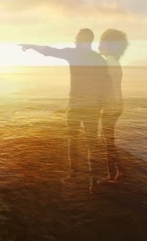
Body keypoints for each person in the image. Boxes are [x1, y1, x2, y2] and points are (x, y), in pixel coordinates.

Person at [19, 28, 111, 182]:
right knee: (92, 143)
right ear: (91, 40)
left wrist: (31, 45)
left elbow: (49, 51)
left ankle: (74, 175)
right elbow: (106, 84)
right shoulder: (98, 59)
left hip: (75, 105)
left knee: (73, 140)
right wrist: (101, 105)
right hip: (92, 107)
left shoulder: (73, 53)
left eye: (77, 38)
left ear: (80, 39)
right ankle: (93, 178)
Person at [98, 29, 129, 183]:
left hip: (111, 106)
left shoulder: (107, 62)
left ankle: (112, 176)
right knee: (108, 139)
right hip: (117, 104)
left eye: (102, 42)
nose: (99, 45)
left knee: (107, 141)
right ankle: (120, 171)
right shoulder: (115, 61)